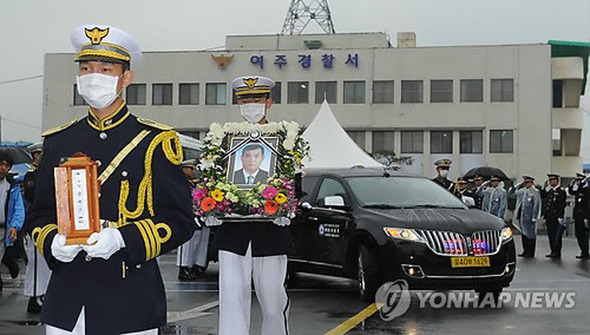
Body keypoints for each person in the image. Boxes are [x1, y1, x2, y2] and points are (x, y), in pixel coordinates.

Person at [26, 24, 196, 334]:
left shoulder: (154, 141)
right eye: (86, 68)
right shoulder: (59, 141)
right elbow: (39, 214)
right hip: (67, 301)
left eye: (105, 69)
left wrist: (122, 238)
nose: (94, 77)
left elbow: (180, 220)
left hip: (129, 298)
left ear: (125, 78)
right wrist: (52, 241)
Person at [215, 75, 291, 335]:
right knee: (231, 298)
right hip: (232, 232)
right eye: (245, 100)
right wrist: (211, 205)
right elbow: (211, 177)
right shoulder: (223, 138)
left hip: (270, 232)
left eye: (256, 99)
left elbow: (295, 180)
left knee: (272, 301)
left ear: (269, 102)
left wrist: (288, 207)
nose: (250, 105)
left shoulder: (285, 138)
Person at [23, 142, 52, 313]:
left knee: (44, 263)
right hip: (34, 222)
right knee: (34, 263)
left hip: (46, 222)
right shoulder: (31, 176)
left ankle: (41, 293)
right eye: (37, 154)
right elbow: (32, 197)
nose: (40, 157)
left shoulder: (44, 174)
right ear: (34, 156)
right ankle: (33, 296)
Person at [177, 159, 211, 280]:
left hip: (197, 215)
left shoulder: (194, 183)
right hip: (186, 216)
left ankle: (194, 266)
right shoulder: (179, 183)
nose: (193, 172)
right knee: (186, 244)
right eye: (190, 169)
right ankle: (184, 267)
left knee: (197, 241)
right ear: (184, 169)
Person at [0, 152, 25, 292]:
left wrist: (15, 226)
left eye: (6, 165)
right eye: (1, 164)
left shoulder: (12, 187)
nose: (3, 168)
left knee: (6, 257)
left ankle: (14, 272)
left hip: (4, 229)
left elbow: (18, 209)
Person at [512, 176, 542, 258]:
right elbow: (513, 194)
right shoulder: (522, 191)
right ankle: (525, 250)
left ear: (532, 182)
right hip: (522, 216)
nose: (526, 184)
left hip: (530, 216)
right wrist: (517, 185)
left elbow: (536, 204)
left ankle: (530, 252)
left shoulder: (535, 191)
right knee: (524, 234)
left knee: (531, 235)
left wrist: (534, 216)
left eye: (528, 182)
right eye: (525, 182)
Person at [541, 173, 567, 259]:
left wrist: (560, 216)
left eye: (552, 180)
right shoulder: (551, 191)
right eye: (550, 180)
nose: (551, 182)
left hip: (556, 216)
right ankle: (552, 250)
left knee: (557, 235)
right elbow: (544, 197)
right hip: (549, 216)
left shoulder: (561, 191)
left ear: (557, 180)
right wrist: (543, 188)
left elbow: (561, 205)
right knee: (551, 234)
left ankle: (557, 251)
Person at [567, 173, 589, 259]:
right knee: (579, 235)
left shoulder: (586, 190)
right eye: (577, 180)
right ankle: (583, 251)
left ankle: (585, 252)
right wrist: (571, 184)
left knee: (584, 236)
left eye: (579, 180)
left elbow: (587, 205)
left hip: (584, 217)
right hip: (577, 216)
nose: (578, 182)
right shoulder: (579, 190)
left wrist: (586, 217)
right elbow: (571, 191)